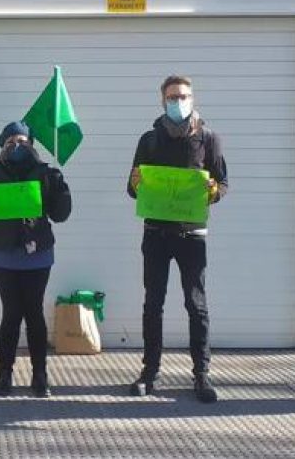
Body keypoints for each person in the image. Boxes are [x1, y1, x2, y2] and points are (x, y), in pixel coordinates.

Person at [127, 75, 228, 403]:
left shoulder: (208, 138)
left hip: (192, 236)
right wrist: (136, 182)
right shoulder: (149, 140)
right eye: (172, 97)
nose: (178, 102)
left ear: (192, 98)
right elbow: (132, 189)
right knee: (152, 304)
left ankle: (201, 375)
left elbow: (222, 183)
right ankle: (150, 372)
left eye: (183, 96)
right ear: (162, 101)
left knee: (196, 304)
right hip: (156, 234)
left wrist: (214, 191)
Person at [0, 121, 71, 398]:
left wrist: (61, 190)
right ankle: (5, 374)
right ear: (2, 144)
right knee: (12, 312)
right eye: (12, 141)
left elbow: (60, 215)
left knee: (34, 313)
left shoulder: (46, 173)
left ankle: (40, 375)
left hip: (37, 254)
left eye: (23, 141)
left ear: (32, 144)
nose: (17, 146)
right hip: (0, 255)